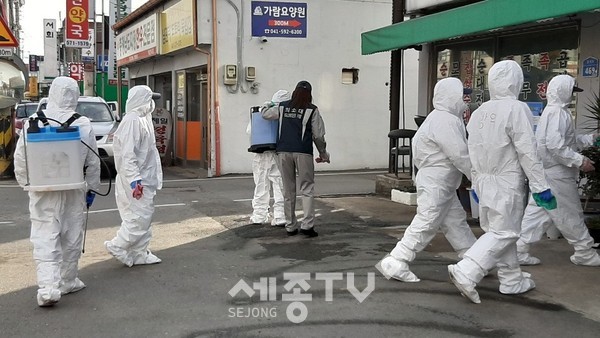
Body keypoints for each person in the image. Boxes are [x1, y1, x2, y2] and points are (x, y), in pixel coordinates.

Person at [448, 60, 555, 304]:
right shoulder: (517, 109)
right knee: (505, 231)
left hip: (484, 180)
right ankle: (468, 270)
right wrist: (541, 187)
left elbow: (471, 149)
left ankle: (511, 279)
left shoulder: (480, 111)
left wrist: (475, 181)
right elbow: (528, 151)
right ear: (515, 82)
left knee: (499, 231)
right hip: (505, 180)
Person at [13, 76, 101, 306]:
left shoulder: (34, 121)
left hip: (43, 189)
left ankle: (48, 288)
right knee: (71, 235)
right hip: (73, 188)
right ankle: (68, 281)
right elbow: (93, 160)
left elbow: (20, 158)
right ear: (75, 96)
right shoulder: (82, 123)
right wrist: (92, 187)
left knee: (45, 236)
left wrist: (26, 183)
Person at [379, 77, 477, 282]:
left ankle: (474, 259)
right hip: (438, 182)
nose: (465, 100)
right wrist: (475, 175)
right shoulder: (445, 120)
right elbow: (459, 154)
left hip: (441, 183)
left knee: (455, 222)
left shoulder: (439, 118)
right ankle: (397, 260)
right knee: (427, 222)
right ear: (451, 96)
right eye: (462, 95)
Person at [517, 74, 600, 266]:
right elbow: (556, 146)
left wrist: (590, 138)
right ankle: (584, 251)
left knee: (538, 212)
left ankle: (519, 249)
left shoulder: (551, 112)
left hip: (545, 175)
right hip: (558, 176)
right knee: (570, 213)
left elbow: (566, 141)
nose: (572, 96)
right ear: (563, 91)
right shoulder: (559, 114)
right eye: (571, 92)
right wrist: (580, 161)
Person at [262, 80, 329, 237]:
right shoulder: (312, 110)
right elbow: (318, 135)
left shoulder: (283, 106)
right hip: (303, 152)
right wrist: (323, 153)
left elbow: (265, 114)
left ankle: (290, 226)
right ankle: (307, 225)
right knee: (307, 189)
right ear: (310, 94)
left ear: (294, 92)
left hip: (283, 152)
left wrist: (269, 103)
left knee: (288, 190)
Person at [105, 85, 163, 267]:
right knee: (139, 218)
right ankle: (118, 245)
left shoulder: (142, 118)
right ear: (142, 100)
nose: (152, 102)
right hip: (138, 180)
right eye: (149, 98)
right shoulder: (132, 121)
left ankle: (139, 253)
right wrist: (134, 181)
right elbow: (128, 155)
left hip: (146, 177)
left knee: (143, 217)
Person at [247, 90, 289, 226]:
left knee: (261, 185)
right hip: (278, 153)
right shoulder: (287, 115)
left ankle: (259, 216)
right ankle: (280, 216)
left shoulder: (260, 113)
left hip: (260, 154)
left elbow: (249, 131)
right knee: (280, 185)